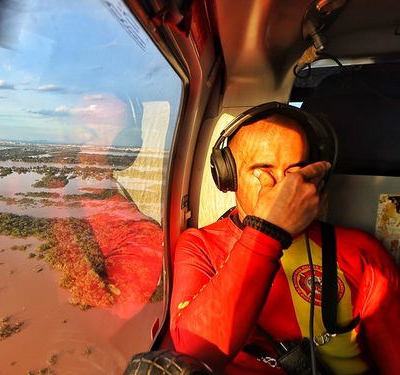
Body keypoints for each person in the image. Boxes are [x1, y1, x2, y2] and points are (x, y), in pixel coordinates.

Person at [169, 103, 400, 374]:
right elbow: (195, 353)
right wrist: (268, 231)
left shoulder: (362, 253)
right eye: (263, 169)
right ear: (228, 176)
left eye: (296, 172)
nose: (283, 188)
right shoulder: (201, 246)